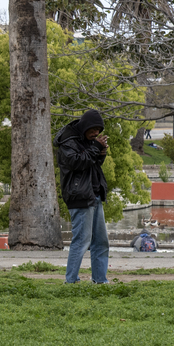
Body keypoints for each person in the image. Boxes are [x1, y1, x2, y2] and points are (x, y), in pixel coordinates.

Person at [55, 109, 109, 284]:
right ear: (85, 126)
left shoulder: (88, 141)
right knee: (81, 241)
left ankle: (100, 280)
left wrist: (101, 153)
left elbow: (91, 164)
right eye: (93, 130)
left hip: (94, 194)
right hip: (80, 196)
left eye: (98, 131)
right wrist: (96, 148)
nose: (96, 133)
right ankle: (71, 281)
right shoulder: (68, 141)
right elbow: (77, 162)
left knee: (101, 241)